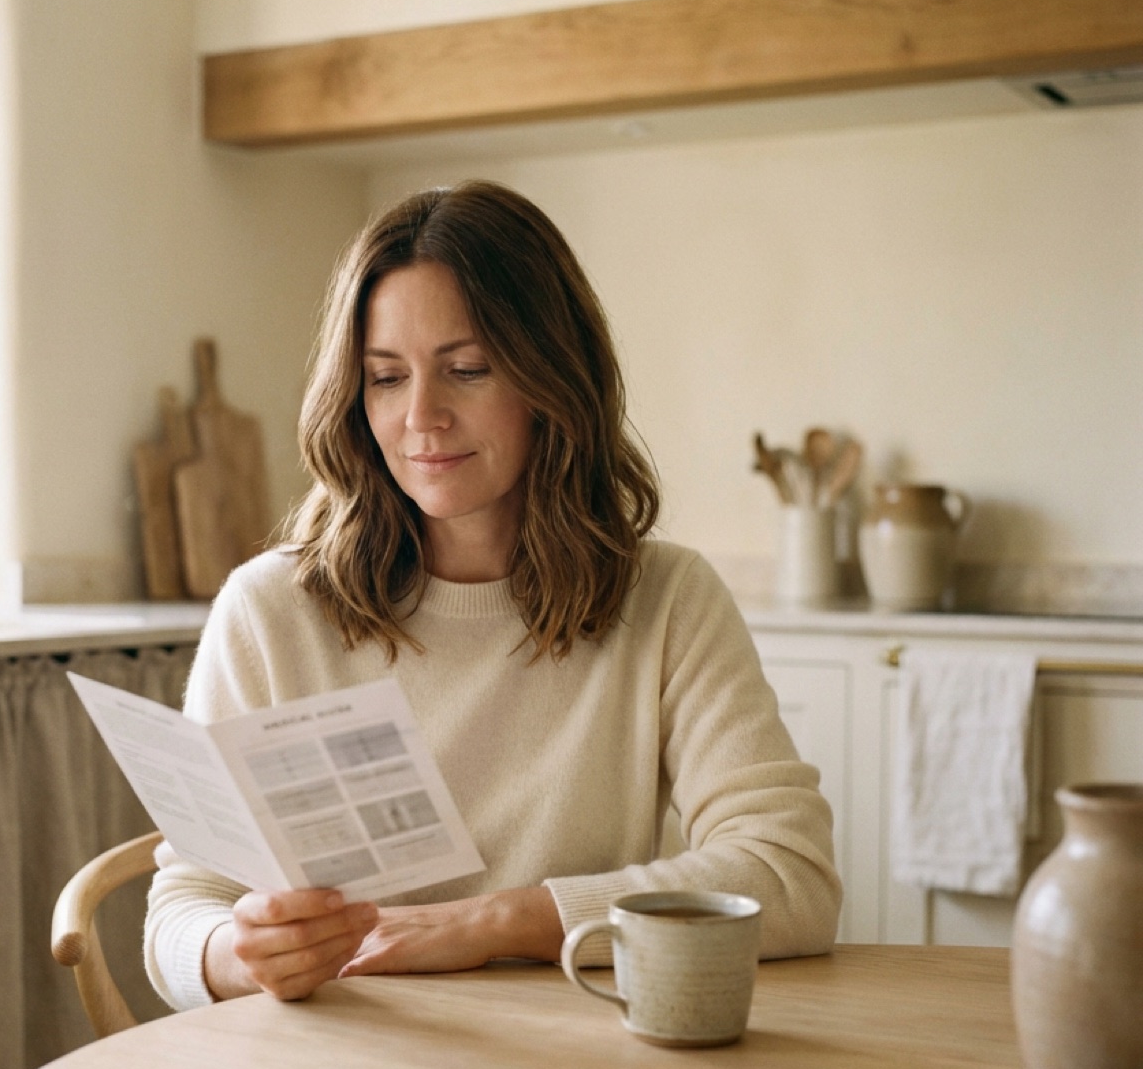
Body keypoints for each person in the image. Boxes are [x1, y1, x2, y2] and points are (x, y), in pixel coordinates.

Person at [145, 180, 841, 1007]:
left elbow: (790, 874)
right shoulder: (270, 612)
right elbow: (182, 910)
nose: (421, 417)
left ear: (553, 382)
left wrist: (490, 925)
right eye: (385, 378)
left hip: (576, 1063)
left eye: (467, 369)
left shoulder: (667, 601)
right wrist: (239, 952)